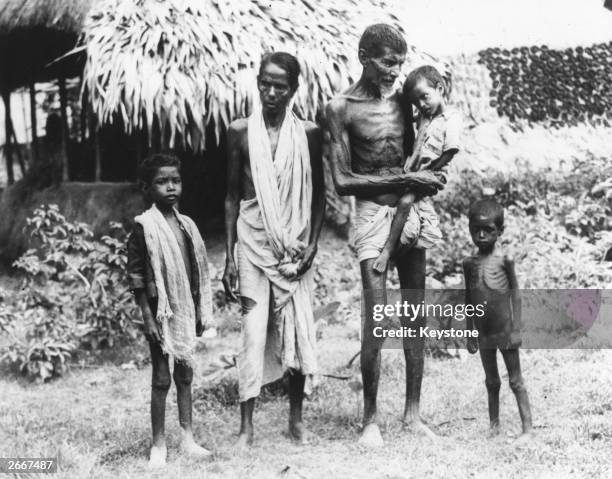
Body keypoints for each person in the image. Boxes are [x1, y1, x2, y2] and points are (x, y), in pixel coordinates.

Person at [326, 24, 444, 447]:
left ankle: (413, 414)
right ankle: (370, 420)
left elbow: (421, 148)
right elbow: (341, 180)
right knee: (376, 320)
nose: (395, 71)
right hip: (373, 214)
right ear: (363, 56)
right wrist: (404, 176)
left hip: (410, 210)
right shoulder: (340, 108)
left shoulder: (403, 101)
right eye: (386, 62)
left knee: (414, 312)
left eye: (399, 62)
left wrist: (428, 175)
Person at [223, 52, 325, 447]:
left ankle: (295, 420)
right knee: (251, 332)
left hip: (294, 248)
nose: (269, 91)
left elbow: (318, 195)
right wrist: (228, 255)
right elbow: (232, 196)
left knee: (296, 327)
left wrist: (313, 244)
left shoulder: (310, 134)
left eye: (279, 85)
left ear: (293, 89)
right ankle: (246, 426)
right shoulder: (239, 131)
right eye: (264, 83)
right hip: (251, 241)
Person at [127, 153, 213, 467]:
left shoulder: (187, 225)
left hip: (186, 309)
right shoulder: (143, 228)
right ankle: (158, 444)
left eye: (175, 180)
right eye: (162, 182)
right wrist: (147, 317)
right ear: (146, 188)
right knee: (162, 377)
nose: (170, 187)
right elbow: (135, 278)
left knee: (186, 373)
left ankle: (188, 438)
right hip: (159, 313)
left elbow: (196, 270)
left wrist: (201, 313)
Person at [372, 65, 461, 273]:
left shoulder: (451, 118)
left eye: (425, 97)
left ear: (440, 88)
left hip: (432, 171)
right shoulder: (424, 115)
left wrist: (429, 170)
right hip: (414, 167)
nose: (421, 104)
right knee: (390, 198)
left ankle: (388, 252)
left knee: (405, 201)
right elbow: (405, 111)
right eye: (416, 102)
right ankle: (397, 245)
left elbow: (450, 151)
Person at [463, 199, 533, 440]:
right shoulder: (469, 264)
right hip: (483, 335)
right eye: (476, 230)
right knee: (491, 381)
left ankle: (528, 430)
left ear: (499, 231)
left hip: (504, 332)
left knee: (516, 380)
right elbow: (468, 299)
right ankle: (494, 429)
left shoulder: (506, 261)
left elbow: (516, 295)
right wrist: (469, 331)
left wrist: (516, 329)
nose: (481, 235)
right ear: (470, 229)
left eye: (488, 230)